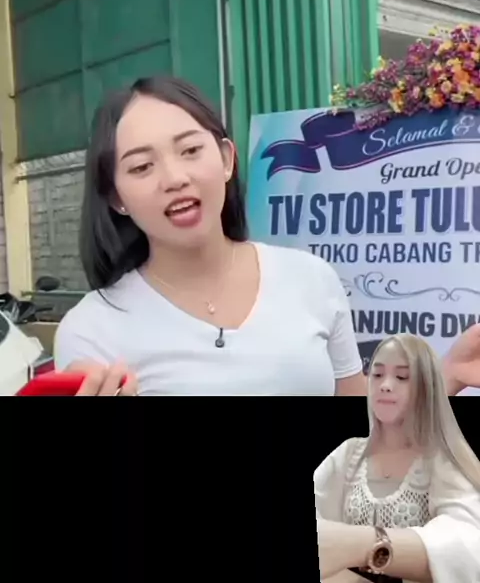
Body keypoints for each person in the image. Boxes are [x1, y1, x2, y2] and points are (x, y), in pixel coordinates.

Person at [53, 74, 480, 397]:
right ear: (116, 197)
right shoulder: (91, 331)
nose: (175, 177)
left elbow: (364, 435)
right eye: (142, 166)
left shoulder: (311, 278)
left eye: (190, 150)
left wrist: (447, 377)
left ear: (226, 159)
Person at [314, 333, 480, 583]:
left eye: (402, 377)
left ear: (426, 387)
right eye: (377, 374)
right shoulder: (348, 455)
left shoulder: (440, 460)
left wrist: (364, 543)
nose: (385, 385)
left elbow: (467, 545)